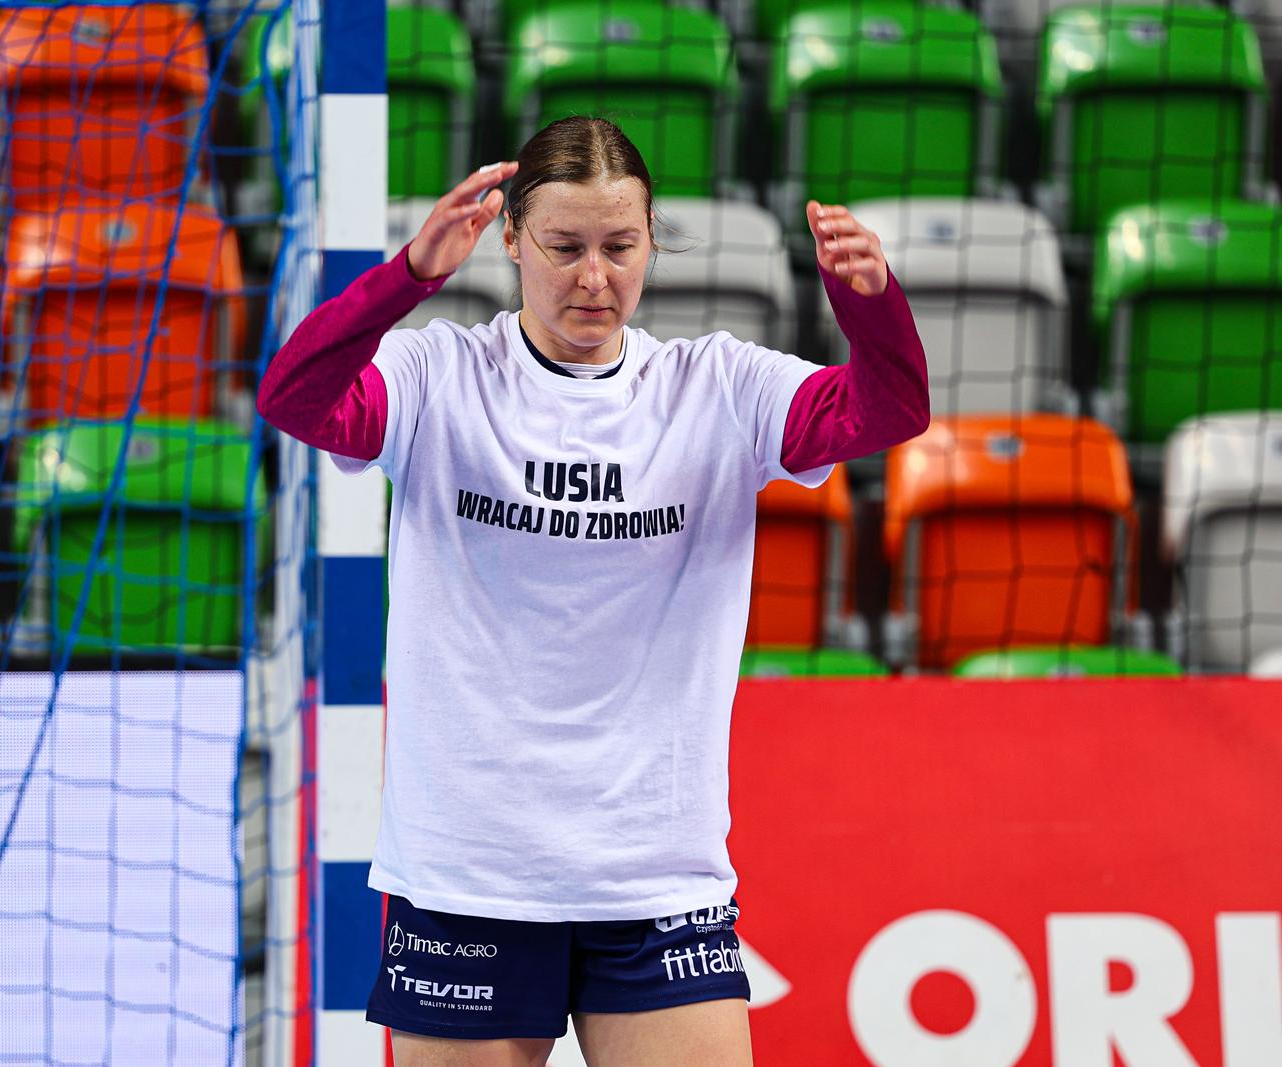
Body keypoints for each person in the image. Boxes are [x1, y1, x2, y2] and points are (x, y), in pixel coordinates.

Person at [256, 117, 928, 1067]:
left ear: (652, 240)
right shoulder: (438, 374)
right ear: (509, 239)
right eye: (564, 247)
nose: (594, 278)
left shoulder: (717, 387)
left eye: (619, 247)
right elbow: (294, 398)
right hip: (469, 876)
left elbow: (889, 410)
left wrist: (872, 303)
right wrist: (406, 277)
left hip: (657, 879)